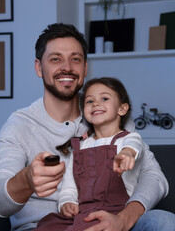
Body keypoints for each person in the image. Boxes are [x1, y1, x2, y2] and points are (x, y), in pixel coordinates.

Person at [0, 23, 175, 231]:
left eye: (76, 59)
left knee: (165, 222)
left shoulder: (107, 112)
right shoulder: (20, 125)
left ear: (85, 68)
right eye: (55, 59)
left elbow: (154, 177)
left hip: (111, 221)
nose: (67, 67)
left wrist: (123, 220)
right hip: (45, 226)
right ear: (38, 67)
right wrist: (26, 180)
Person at [35, 77, 145, 230]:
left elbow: (134, 146)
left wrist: (127, 153)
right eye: (89, 101)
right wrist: (67, 202)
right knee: (48, 225)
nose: (96, 104)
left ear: (122, 108)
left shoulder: (128, 139)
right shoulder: (80, 146)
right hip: (84, 212)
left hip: (115, 211)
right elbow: (70, 186)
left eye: (104, 98)